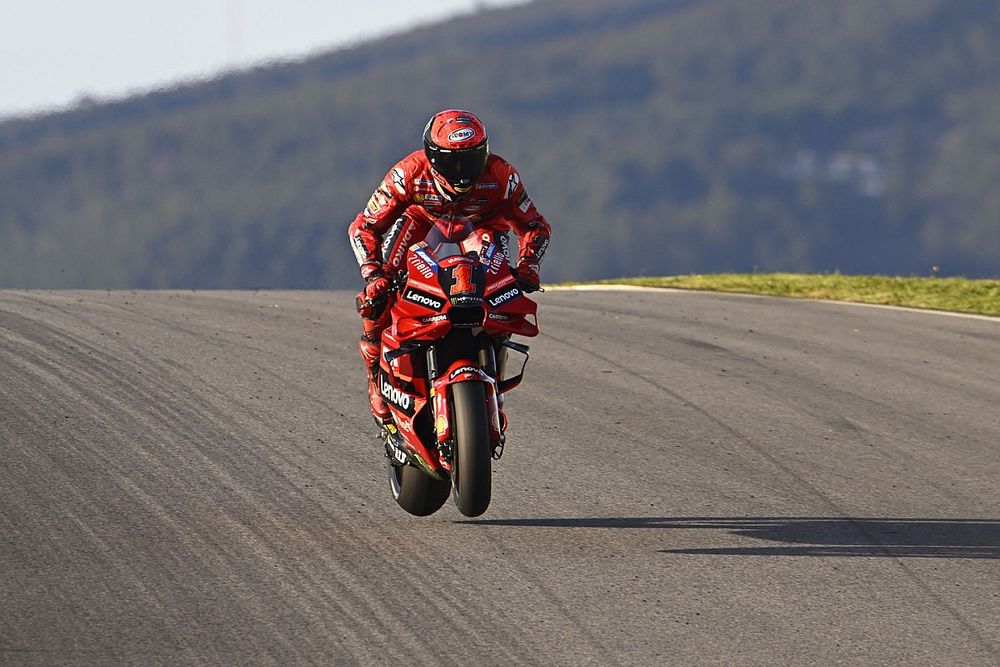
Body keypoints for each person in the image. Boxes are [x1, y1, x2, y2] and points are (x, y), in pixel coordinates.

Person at [348, 109, 552, 424]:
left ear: (484, 154)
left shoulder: (502, 176)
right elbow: (364, 227)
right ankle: (375, 372)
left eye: (471, 160)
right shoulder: (408, 173)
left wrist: (528, 265)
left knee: (500, 291)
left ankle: (492, 377)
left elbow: (535, 227)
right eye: (452, 161)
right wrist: (373, 273)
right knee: (378, 296)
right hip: (422, 222)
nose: (462, 172)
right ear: (431, 157)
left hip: (482, 225)